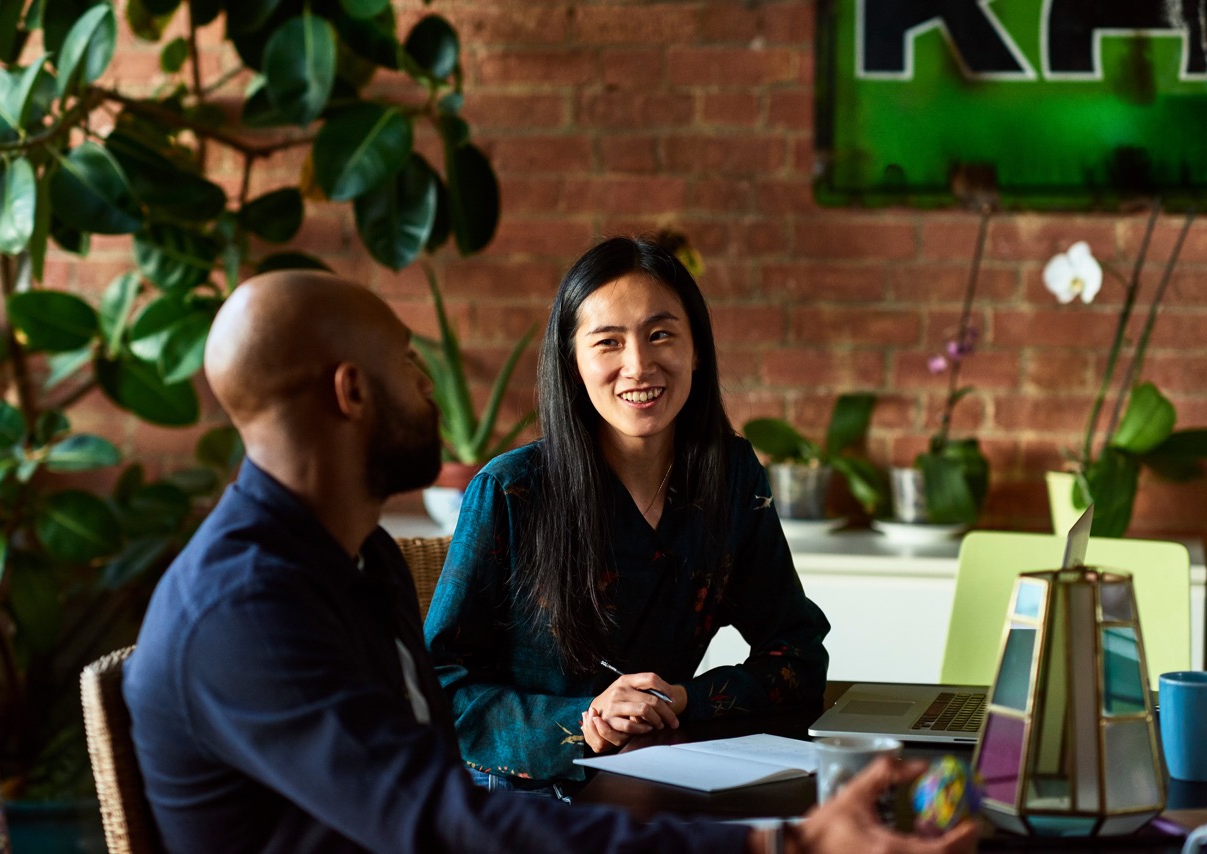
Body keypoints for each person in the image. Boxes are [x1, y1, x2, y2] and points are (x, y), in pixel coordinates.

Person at [122, 268, 976, 854]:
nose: (429, 386)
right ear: (351, 391)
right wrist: (775, 844)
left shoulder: (356, 561)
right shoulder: (244, 615)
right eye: (409, 364)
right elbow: (438, 818)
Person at [424, 236, 831, 794]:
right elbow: (437, 690)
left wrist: (681, 698)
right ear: (572, 363)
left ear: (697, 350)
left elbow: (798, 655)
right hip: (523, 801)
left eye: (660, 334)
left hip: (664, 783)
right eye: (608, 342)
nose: (639, 365)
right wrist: (585, 719)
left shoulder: (728, 474)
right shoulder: (511, 490)